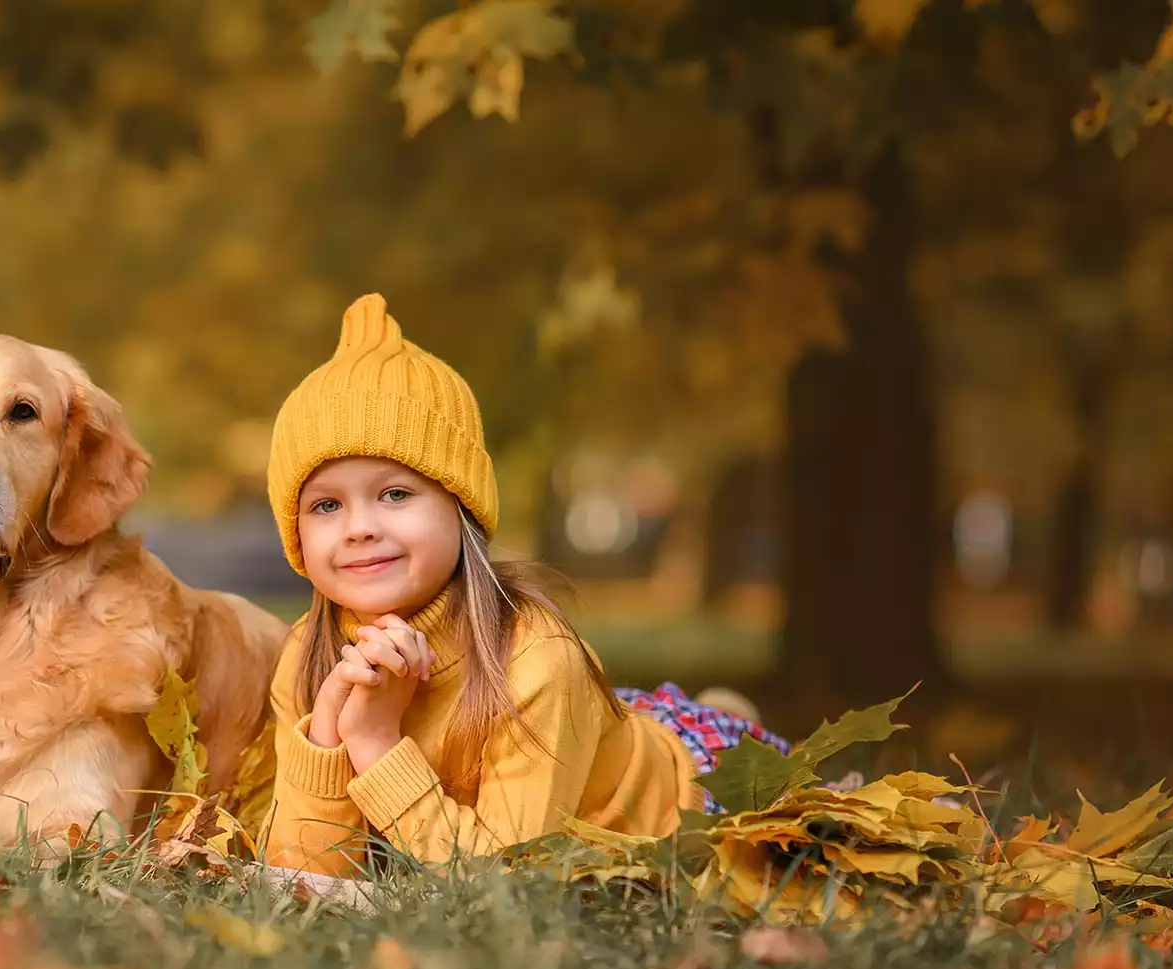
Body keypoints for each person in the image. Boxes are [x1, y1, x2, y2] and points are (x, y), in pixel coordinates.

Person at [257, 293, 790, 879]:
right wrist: (329, 736)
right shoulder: (306, 657)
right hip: (582, 746)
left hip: (675, 800)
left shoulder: (537, 660)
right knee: (635, 721)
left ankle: (721, 723)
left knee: (745, 773)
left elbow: (504, 882)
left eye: (395, 494)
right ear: (297, 535)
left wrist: (378, 741)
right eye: (327, 505)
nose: (360, 528)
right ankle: (700, 710)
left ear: (461, 508)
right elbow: (297, 878)